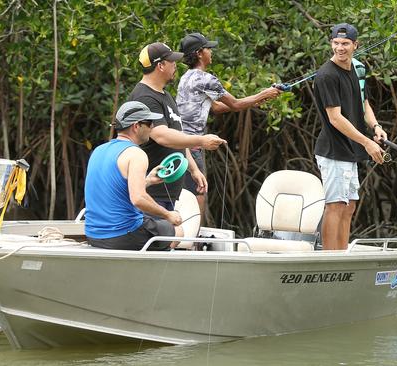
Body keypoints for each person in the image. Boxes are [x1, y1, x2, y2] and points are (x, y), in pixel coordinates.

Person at [176, 32, 282, 221]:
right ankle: (193, 242)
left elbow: (215, 107)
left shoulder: (186, 77)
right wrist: (263, 94)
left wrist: (252, 101)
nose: (211, 52)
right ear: (200, 53)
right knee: (198, 195)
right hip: (193, 147)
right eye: (208, 49)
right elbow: (235, 104)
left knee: (186, 195)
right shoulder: (206, 79)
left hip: (180, 143)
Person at [313, 23, 388, 250]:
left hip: (350, 151)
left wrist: (375, 126)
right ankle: (330, 259)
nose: (340, 48)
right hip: (333, 151)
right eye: (336, 43)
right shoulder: (327, 75)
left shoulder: (356, 69)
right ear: (331, 44)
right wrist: (366, 143)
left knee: (350, 206)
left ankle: (342, 253)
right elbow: (335, 118)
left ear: (355, 45)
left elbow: (363, 102)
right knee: (335, 205)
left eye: (345, 43)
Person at [129, 42, 226, 211]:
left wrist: (194, 170)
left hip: (167, 192)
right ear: (160, 65)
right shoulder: (144, 97)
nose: (176, 65)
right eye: (171, 61)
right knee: (170, 235)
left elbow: (177, 135)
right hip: (151, 192)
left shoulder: (165, 95)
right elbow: (162, 135)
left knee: (173, 235)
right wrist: (201, 140)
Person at [85, 101, 184, 251]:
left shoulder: (99, 150)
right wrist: (168, 214)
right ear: (136, 126)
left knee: (152, 222)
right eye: (149, 123)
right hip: (123, 235)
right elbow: (138, 199)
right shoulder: (136, 154)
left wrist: (148, 181)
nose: (152, 127)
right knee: (178, 231)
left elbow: (114, 189)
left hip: (93, 235)